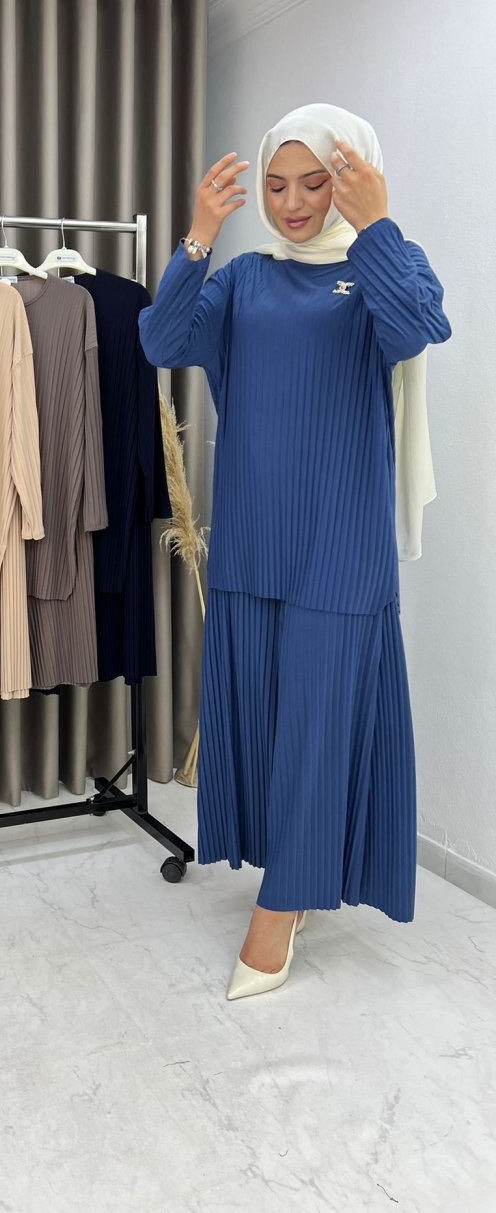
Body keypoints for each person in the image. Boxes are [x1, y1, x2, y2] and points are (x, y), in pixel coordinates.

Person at [138, 103, 451, 1001]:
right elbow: (162, 340)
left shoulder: (384, 268)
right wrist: (199, 236)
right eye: (276, 186)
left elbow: (419, 326)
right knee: (272, 723)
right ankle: (296, 874)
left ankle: (278, 910)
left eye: (316, 183)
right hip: (252, 541)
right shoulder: (243, 280)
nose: (292, 203)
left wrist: (378, 222)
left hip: (341, 546)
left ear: (353, 179)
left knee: (319, 723)